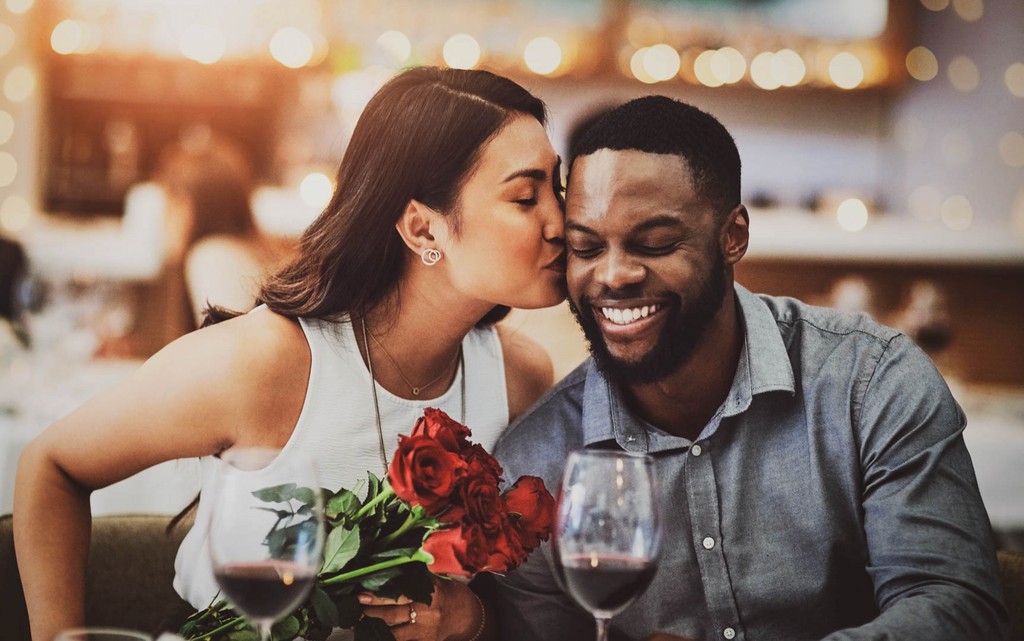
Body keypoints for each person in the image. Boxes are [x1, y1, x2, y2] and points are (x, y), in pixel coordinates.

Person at [15, 66, 567, 641]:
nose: (561, 221)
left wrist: (467, 618)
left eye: (558, 186)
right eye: (526, 197)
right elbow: (50, 465)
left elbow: (528, 602)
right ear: (422, 229)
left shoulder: (518, 377)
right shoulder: (264, 363)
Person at [490, 96, 1009, 640]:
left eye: (656, 243)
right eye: (587, 247)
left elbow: (957, 611)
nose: (614, 274)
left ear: (733, 236)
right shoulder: (535, 464)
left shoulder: (872, 383)